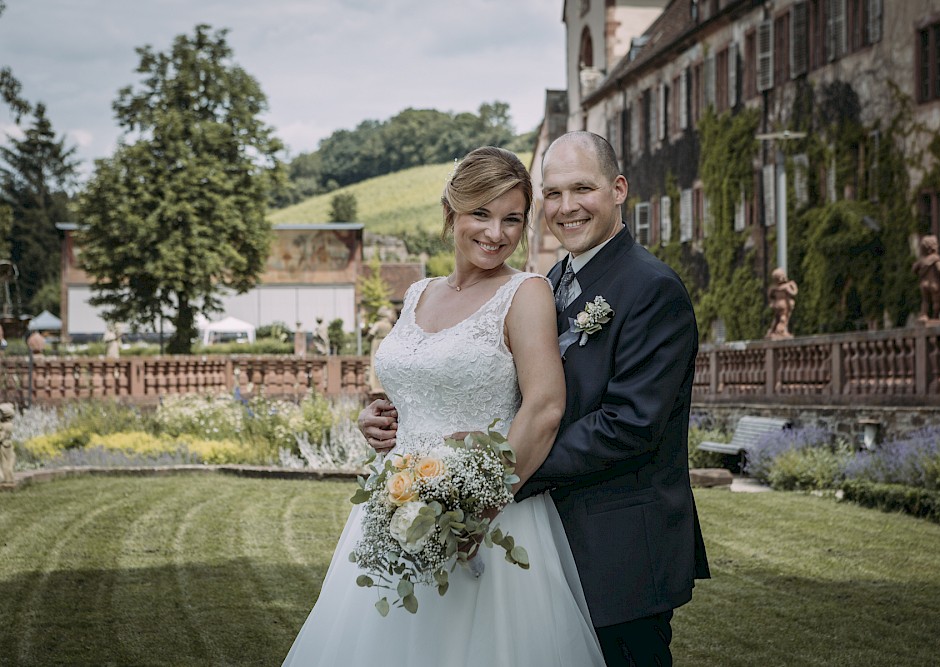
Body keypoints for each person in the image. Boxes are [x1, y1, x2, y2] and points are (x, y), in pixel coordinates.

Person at [361, 131, 710, 666]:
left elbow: (630, 425)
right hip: (542, 537)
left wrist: (484, 470)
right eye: (554, 193)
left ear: (618, 190)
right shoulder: (547, 283)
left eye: (582, 189)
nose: (567, 207)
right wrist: (395, 418)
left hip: (619, 548)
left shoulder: (651, 287)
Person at [283, 146, 606, 666]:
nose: (495, 233)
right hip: (394, 505)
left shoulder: (526, 293)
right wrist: (378, 413)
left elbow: (544, 408)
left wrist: (475, 509)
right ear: (451, 211)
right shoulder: (417, 294)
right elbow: (416, 382)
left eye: (512, 220)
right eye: (481, 213)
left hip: (487, 516)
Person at [766, 267, 798, 340]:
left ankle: (771, 331)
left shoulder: (773, 287)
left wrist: (772, 302)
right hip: (784, 304)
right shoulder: (785, 287)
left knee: (776, 318)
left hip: (776, 304)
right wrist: (794, 286)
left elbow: (769, 296)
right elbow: (793, 293)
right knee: (783, 317)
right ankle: (780, 331)